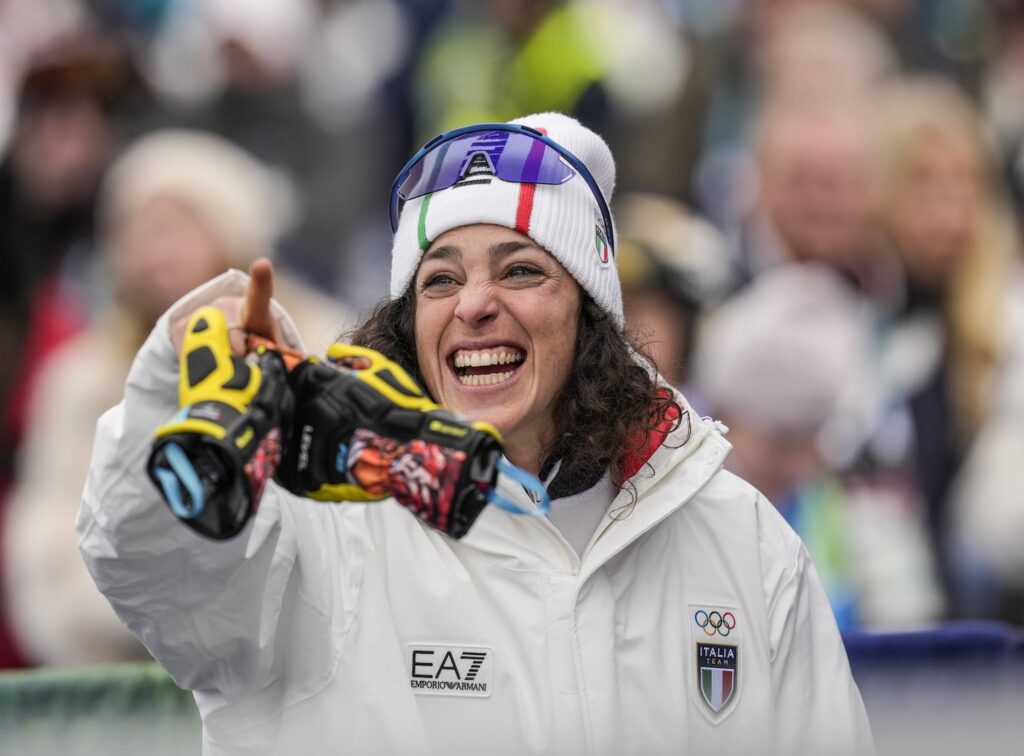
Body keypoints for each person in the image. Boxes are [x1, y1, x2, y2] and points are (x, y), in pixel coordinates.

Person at [78, 112, 872, 754]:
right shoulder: (319, 523)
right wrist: (179, 399)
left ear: (590, 314)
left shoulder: (739, 539)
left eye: (521, 269)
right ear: (406, 324)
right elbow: (149, 566)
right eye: (441, 279)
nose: (475, 305)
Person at [5, 129, 352, 667]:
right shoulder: (81, 380)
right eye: (137, 229)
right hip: (126, 673)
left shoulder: (321, 346)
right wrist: (154, 613)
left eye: (179, 225)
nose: (156, 249)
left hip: (289, 666)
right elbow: (49, 546)